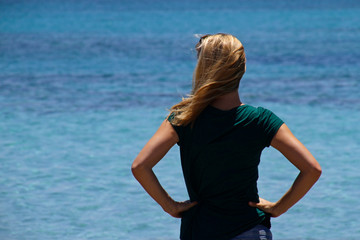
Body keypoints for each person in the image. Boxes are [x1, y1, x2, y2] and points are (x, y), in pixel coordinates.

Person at [131, 33, 321, 240]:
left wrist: (170, 206)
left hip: (202, 230)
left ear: (202, 68)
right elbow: (311, 169)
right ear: (243, 67)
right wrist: (278, 208)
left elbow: (140, 166)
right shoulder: (260, 119)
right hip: (251, 229)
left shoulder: (184, 119)